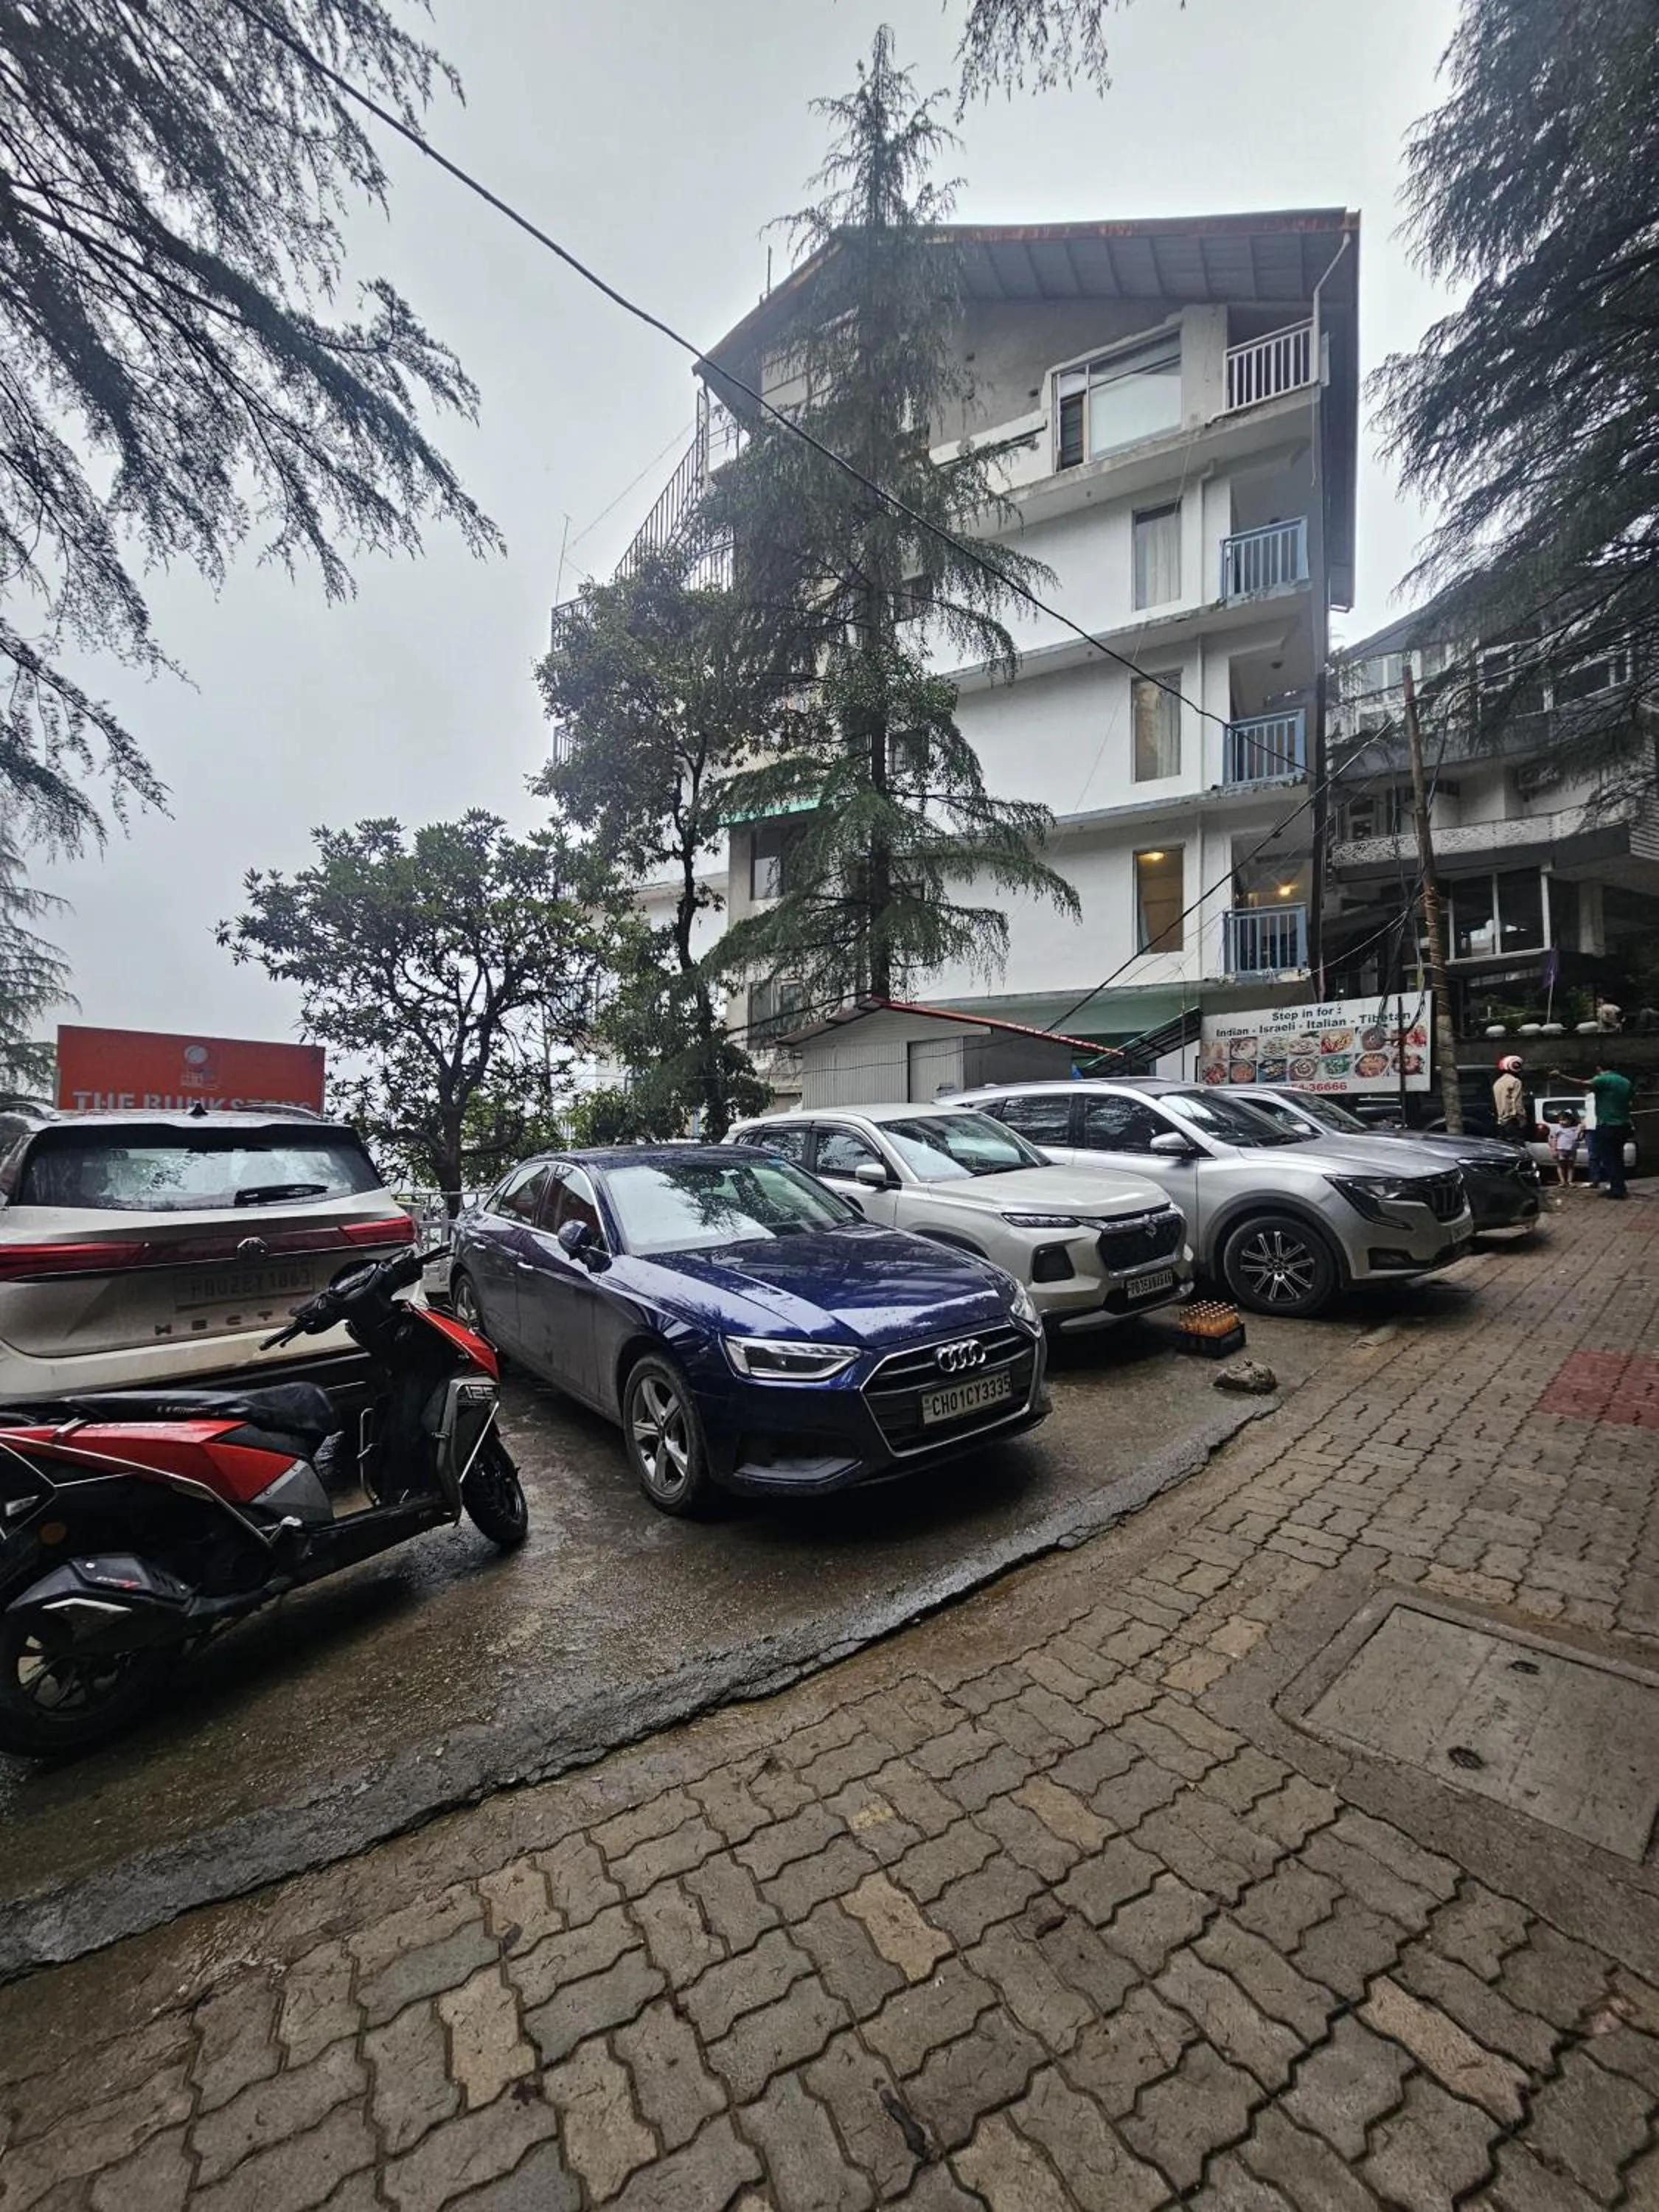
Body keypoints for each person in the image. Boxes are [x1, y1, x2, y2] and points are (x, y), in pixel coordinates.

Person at [1549, 1058, 1635, 1199]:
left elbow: (1582, 1084)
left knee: (1608, 1158)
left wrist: (1561, 1076)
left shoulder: (1603, 1079)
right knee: (1617, 1157)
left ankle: (1616, 1190)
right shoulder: (1626, 1082)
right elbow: (1630, 1102)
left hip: (1608, 1124)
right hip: (1624, 1124)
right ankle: (1619, 1186)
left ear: (1599, 1068)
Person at [1492, 1054, 1528, 1144]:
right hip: (1513, 1120)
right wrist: (1522, 1118)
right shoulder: (1515, 1081)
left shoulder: (1497, 1082)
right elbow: (1517, 1102)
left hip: (1501, 1121)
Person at [1550, 1109, 1583, 1188]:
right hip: (1560, 1149)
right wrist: (1554, 1150)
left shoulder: (1574, 1129)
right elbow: (1553, 1139)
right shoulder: (1557, 1128)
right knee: (1561, 1165)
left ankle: (1570, 1181)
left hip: (1571, 1149)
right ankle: (1562, 1181)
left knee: (1570, 1166)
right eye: (1560, 1120)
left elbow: (1578, 1138)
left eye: (1564, 1120)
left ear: (1570, 1120)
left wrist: (1580, 1131)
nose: (1562, 1122)